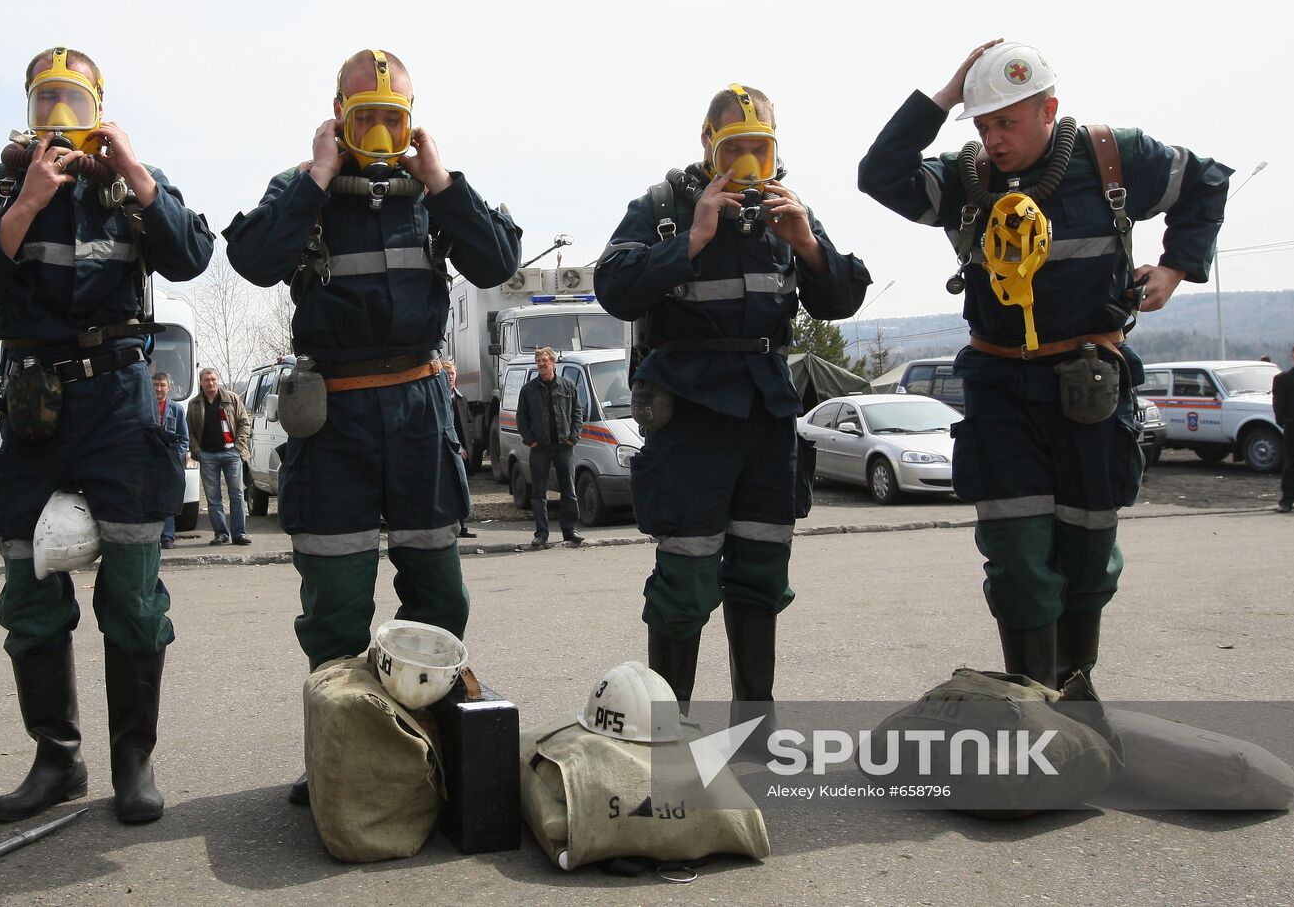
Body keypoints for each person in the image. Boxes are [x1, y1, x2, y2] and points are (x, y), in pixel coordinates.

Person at [858, 39, 1230, 690]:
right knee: (1018, 559)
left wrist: (1174, 268)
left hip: (1090, 387)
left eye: (1008, 122)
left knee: (1089, 557)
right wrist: (945, 95)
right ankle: (1032, 708)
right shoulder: (967, 179)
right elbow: (880, 175)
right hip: (1000, 388)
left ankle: (1073, 694)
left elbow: (1207, 181)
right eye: (983, 123)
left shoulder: (1115, 157)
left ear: (1048, 109)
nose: (994, 138)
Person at [222, 48, 520, 805]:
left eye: (395, 118)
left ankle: (431, 750)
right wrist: (317, 176)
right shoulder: (302, 189)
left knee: (439, 596)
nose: (382, 133)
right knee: (335, 605)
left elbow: (496, 263)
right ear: (337, 118)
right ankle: (343, 751)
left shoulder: (433, 194)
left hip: (419, 413)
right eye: (366, 119)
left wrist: (442, 182)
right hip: (335, 421)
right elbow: (254, 260)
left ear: (413, 123)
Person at [0, 46, 214, 823]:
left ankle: (133, 763)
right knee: (30, 588)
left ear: (100, 107)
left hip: (120, 404)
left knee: (132, 591)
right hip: (33, 406)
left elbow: (192, 256)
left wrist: (135, 172)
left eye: (75, 102)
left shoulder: (128, 182)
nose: (60, 116)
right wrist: (25, 202)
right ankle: (57, 760)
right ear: (26, 108)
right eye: (46, 100)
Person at [595, 84, 869, 718]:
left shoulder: (788, 211)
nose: (750, 161)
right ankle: (670, 730)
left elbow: (844, 297)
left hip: (767, 418)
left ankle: (755, 724)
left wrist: (807, 245)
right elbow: (614, 287)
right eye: (735, 148)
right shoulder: (663, 208)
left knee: (762, 575)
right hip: (691, 416)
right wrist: (689, 241)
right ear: (707, 145)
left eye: (761, 148)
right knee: (686, 581)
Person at [516, 347, 585, 548]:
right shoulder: (528, 389)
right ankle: (541, 534)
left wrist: (573, 437)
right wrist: (530, 440)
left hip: (564, 446)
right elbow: (521, 418)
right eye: (538, 361)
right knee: (538, 493)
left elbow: (577, 413)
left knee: (569, 490)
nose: (541, 364)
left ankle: (569, 530)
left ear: (553, 363)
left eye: (545, 361)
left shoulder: (567, 386)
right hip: (540, 448)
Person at [186, 367, 251, 546]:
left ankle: (239, 534)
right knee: (213, 498)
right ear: (201, 382)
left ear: (218, 380)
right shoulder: (194, 404)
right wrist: (197, 451)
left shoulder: (231, 399)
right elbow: (189, 430)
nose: (211, 383)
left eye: (213, 379)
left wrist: (238, 446)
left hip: (231, 452)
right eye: (207, 380)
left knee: (237, 494)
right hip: (207, 455)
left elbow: (245, 423)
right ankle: (221, 534)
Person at [152, 372, 189, 548]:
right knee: (149, 500)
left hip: (170, 463)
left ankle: (167, 537)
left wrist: (175, 457)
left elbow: (184, 438)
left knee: (168, 499)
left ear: (168, 387)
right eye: (155, 384)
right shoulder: (145, 408)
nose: (158, 388)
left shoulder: (176, 409)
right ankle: (152, 537)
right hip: (149, 462)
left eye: (162, 385)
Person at [442, 358, 477, 537]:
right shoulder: (439, 399)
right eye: (446, 374)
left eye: (452, 374)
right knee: (448, 491)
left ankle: (462, 527)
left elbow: (468, 425)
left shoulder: (461, 398)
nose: (450, 377)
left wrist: (470, 448)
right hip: (447, 452)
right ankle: (450, 528)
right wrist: (456, 447)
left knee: (462, 488)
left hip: (463, 453)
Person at [1273, 344, 1294, 512]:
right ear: (1293, 356)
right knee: (1292, 464)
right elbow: (1278, 404)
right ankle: (1287, 501)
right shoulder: (1283, 379)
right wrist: (1284, 422)